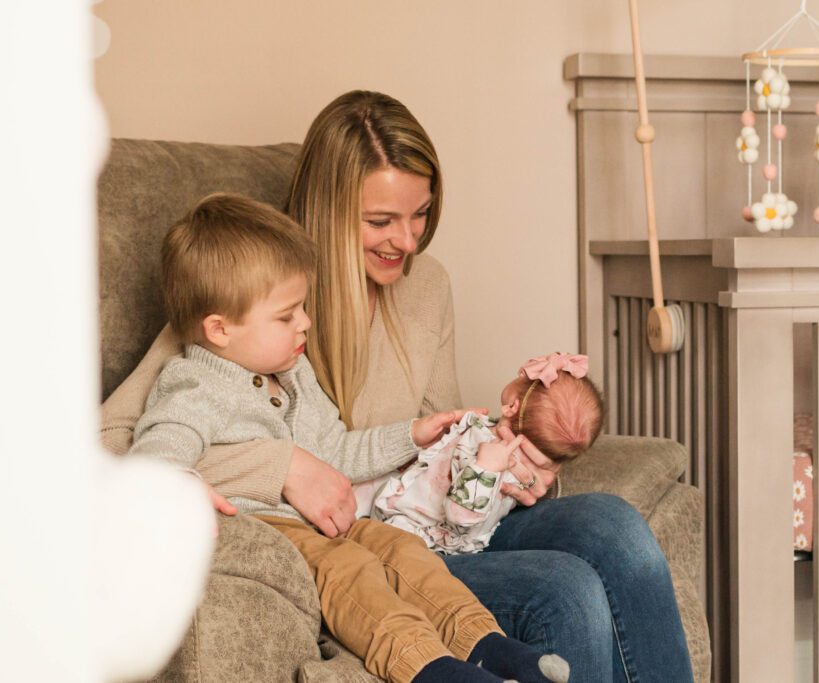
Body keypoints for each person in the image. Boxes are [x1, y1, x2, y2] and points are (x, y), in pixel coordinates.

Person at [101, 90, 694, 682]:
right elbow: (112, 448)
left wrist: (519, 458)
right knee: (566, 592)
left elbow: (444, 447)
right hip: (367, 540)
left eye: (420, 214)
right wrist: (280, 467)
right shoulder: (251, 297)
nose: (408, 241)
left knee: (616, 528)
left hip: (439, 516)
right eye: (381, 221)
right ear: (328, 212)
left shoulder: (427, 285)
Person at [128, 192, 569, 683]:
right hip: (267, 533)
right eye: (287, 315)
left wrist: (412, 436)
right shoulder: (196, 384)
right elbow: (157, 450)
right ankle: (427, 667)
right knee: (353, 570)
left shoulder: (293, 374)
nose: (306, 323)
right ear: (219, 329)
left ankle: (482, 644)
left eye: (303, 308)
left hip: (326, 525)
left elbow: (336, 452)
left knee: (403, 553)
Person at [354, 352, 604, 555]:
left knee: (384, 538)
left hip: (422, 533)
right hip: (410, 495)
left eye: (522, 375)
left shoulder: (496, 460)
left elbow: (461, 516)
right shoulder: (493, 438)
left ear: (512, 406)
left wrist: (485, 469)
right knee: (369, 485)